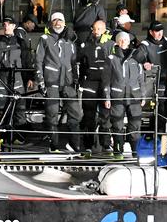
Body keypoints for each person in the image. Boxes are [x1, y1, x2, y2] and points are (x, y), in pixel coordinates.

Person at [35, 12, 83, 152]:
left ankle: (75, 144)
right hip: (52, 82)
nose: (58, 23)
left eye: (60, 20)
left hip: (68, 83)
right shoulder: (45, 39)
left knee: (75, 113)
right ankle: (54, 146)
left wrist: (76, 79)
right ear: (51, 23)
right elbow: (38, 61)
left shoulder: (70, 41)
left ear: (64, 22)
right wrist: (41, 81)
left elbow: (74, 63)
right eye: (55, 20)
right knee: (52, 114)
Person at [0, 16, 28, 143]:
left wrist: (29, 77)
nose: (6, 26)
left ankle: (18, 136)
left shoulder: (20, 41)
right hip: (1, 75)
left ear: (14, 26)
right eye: (5, 24)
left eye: (9, 24)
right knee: (0, 105)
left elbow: (26, 59)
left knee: (19, 106)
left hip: (17, 75)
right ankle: (0, 137)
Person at [104, 31, 145, 159]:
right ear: (117, 42)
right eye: (120, 40)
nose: (123, 42)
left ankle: (135, 152)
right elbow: (106, 80)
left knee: (135, 125)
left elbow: (141, 78)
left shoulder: (135, 58)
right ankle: (118, 151)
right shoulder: (111, 59)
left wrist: (143, 95)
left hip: (134, 96)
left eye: (125, 40)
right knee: (117, 125)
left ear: (129, 42)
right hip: (117, 96)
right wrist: (107, 97)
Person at [78, 19, 113, 152]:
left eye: (99, 29)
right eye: (94, 28)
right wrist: (81, 82)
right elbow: (82, 64)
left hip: (105, 84)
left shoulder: (111, 45)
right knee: (89, 115)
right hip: (90, 83)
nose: (96, 31)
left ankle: (106, 144)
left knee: (105, 115)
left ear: (104, 29)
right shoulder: (86, 45)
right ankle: (87, 145)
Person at [134, 20, 167, 130]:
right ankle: (156, 133)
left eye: (161, 30)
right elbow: (135, 59)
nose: (159, 33)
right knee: (157, 109)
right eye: (156, 31)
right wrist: (143, 63)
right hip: (154, 83)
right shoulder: (145, 44)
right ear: (151, 32)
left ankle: (164, 134)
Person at [14, 14, 38, 88]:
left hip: (22, 70)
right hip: (22, 71)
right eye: (33, 25)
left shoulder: (22, 34)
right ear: (28, 23)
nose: (33, 28)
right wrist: (29, 76)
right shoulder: (20, 34)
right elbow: (25, 56)